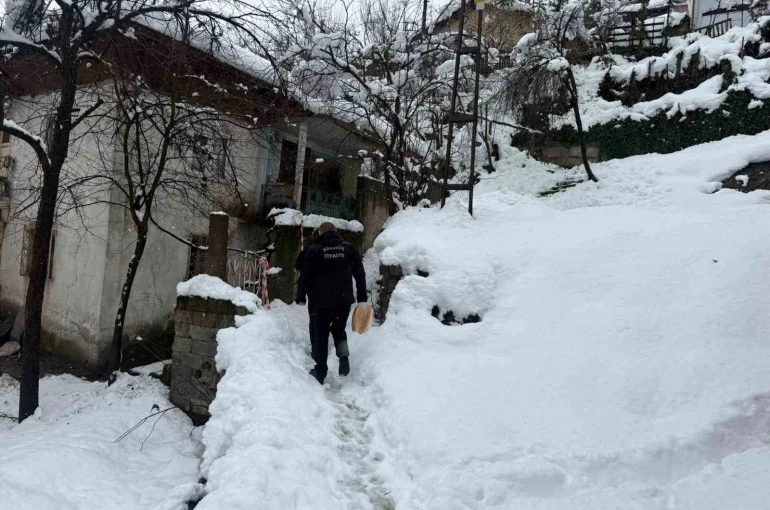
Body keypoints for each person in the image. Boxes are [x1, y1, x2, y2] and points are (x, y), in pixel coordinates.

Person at [296, 222, 367, 384]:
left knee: (321, 334)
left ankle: (320, 371)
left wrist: (301, 296)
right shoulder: (348, 248)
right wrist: (362, 297)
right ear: (336, 232)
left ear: (320, 233)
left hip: (321, 301)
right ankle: (343, 356)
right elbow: (360, 273)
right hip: (343, 300)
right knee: (339, 330)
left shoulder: (314, 249)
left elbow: (304, 274)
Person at [295, 229, 319, 354]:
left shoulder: (309, 249)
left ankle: (315, 347)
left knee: (314, 318)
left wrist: (301, 294)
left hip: (313, 289)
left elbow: (298, 266)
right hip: (331, 290)